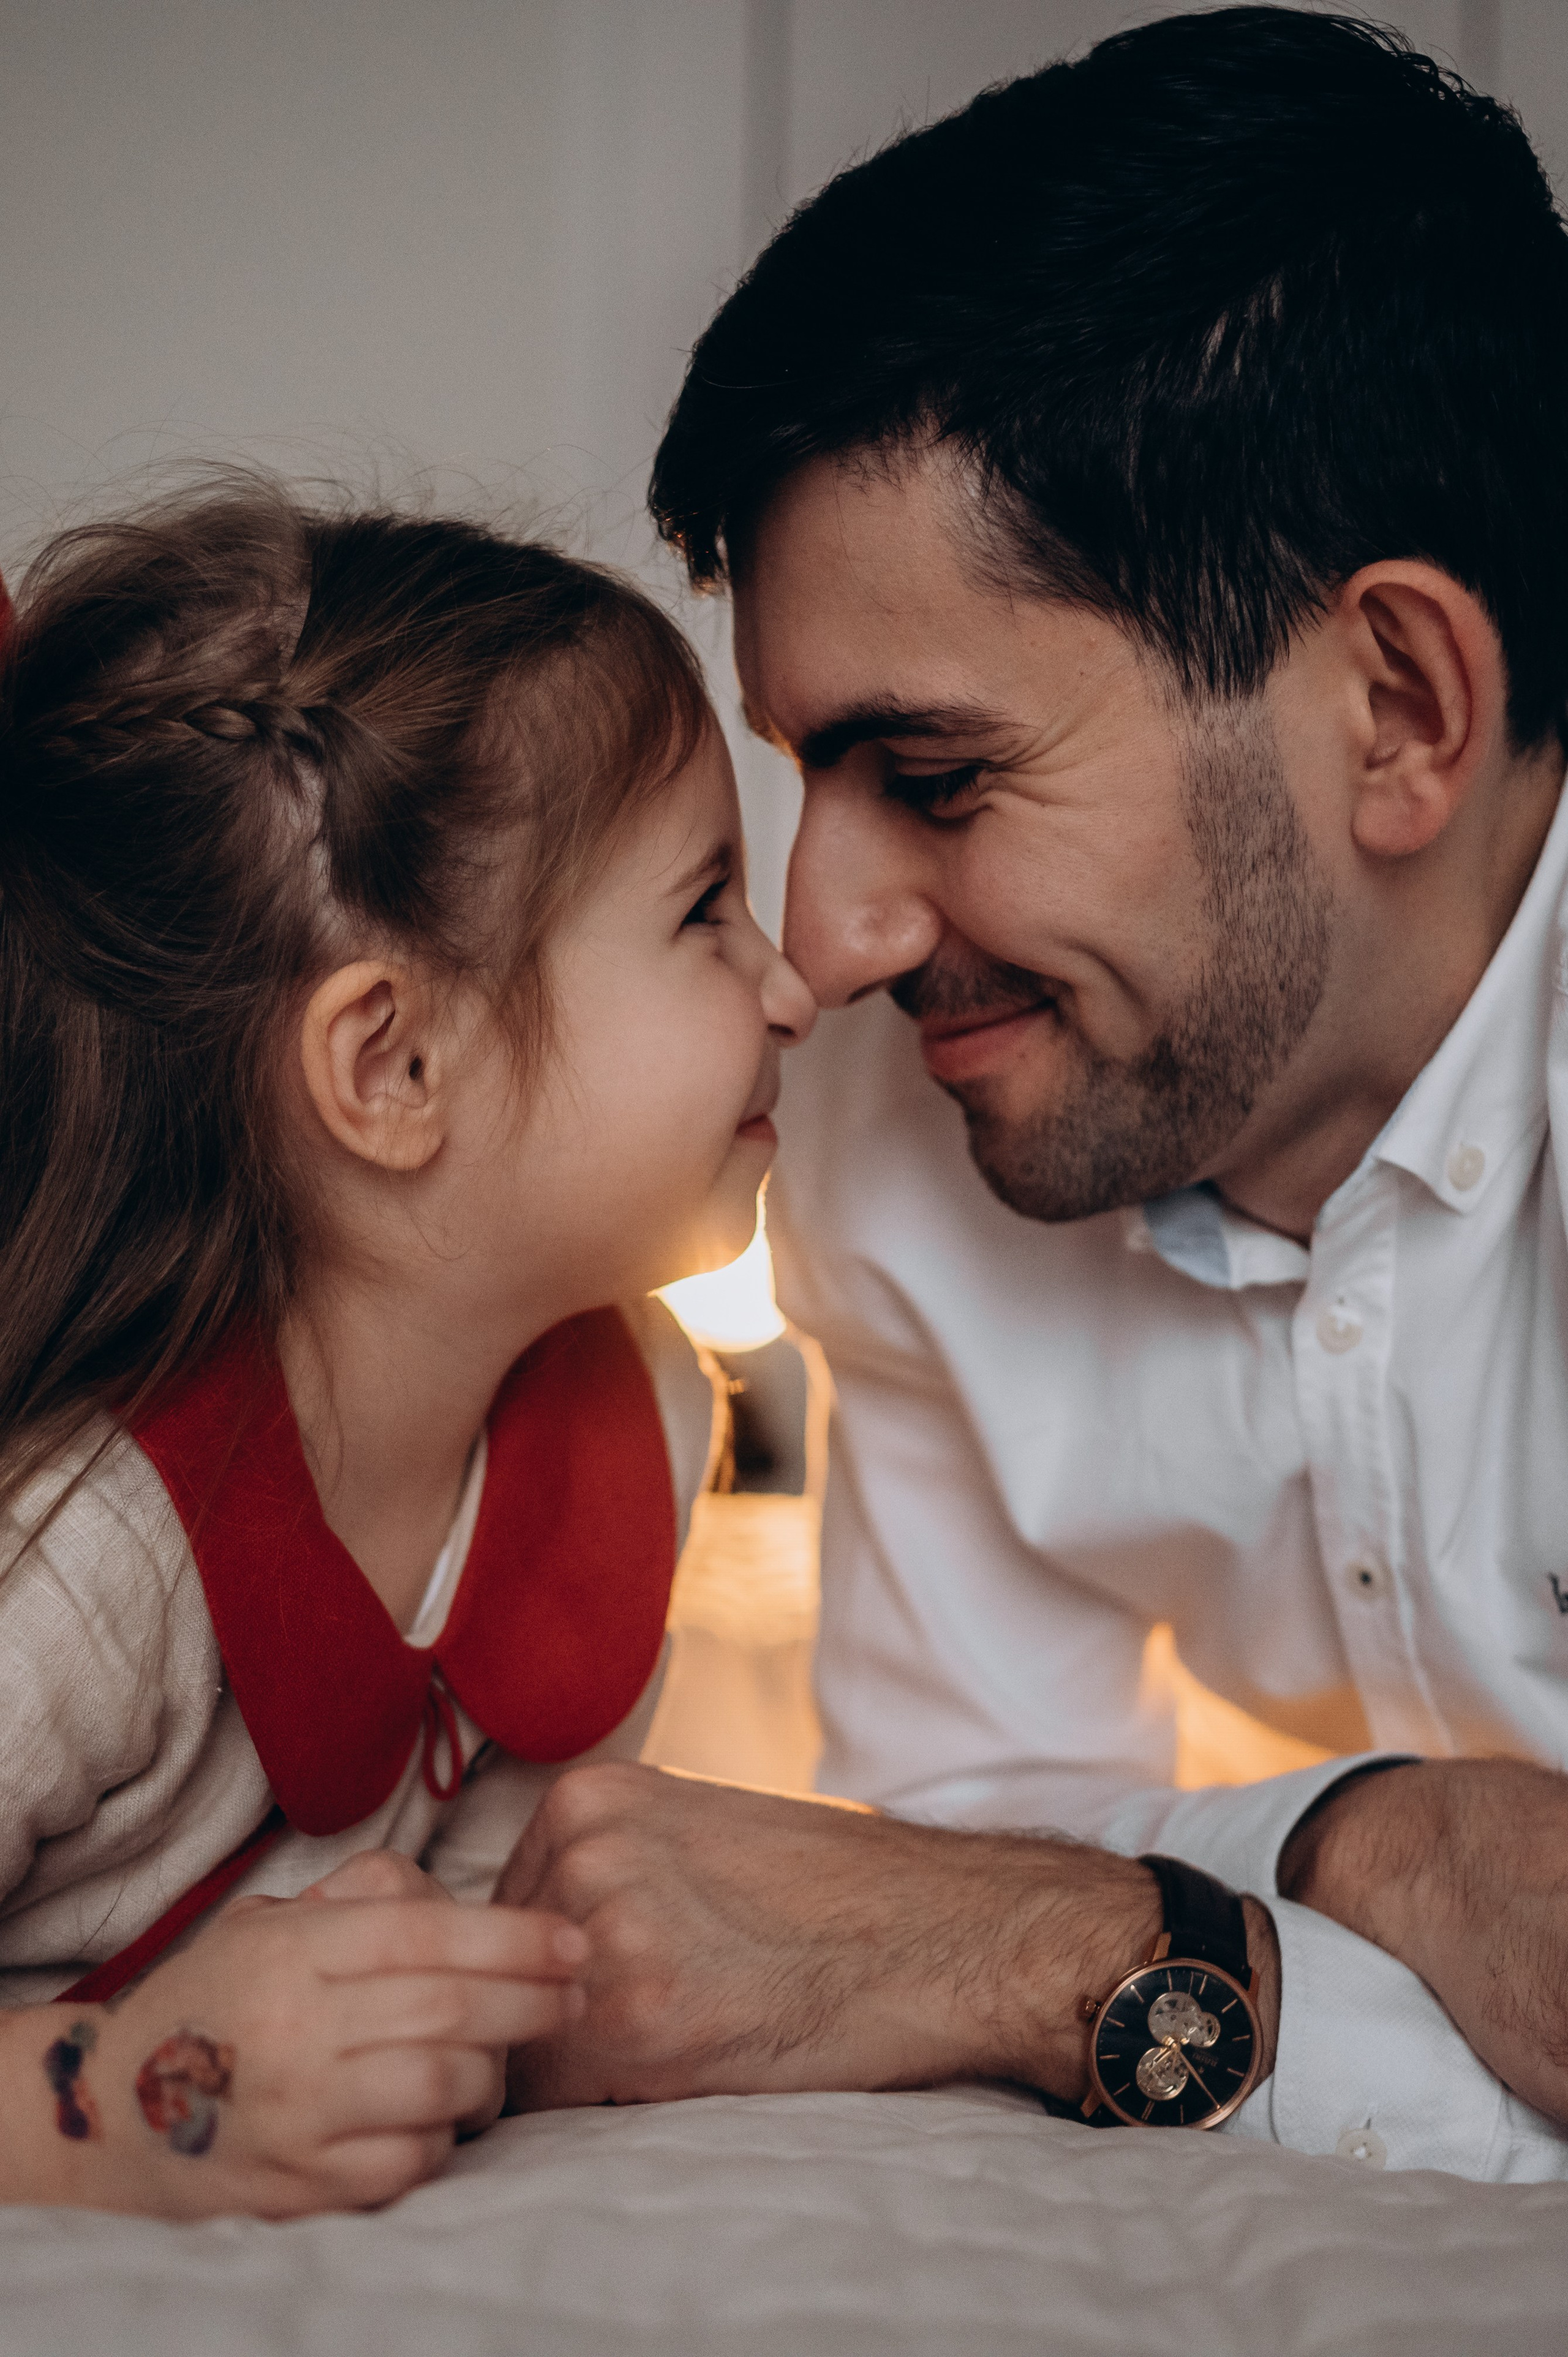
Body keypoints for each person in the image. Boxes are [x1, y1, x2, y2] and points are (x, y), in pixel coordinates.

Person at [496, 7, 1568, 2181]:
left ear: (1395, 705)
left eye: (939, 774)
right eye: (807, 778)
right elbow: (949, 1844)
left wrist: (1090, 1928)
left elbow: (944, 1909)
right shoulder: (909, 1141)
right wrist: (1374, 1849)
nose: (825, 943)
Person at [0, 479, 813, 2216]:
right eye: (704, 912)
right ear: (394, 1068)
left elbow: (485, 1946)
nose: (792, 986)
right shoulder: (80, 1565)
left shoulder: (645, 1421)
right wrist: (137, 2108)